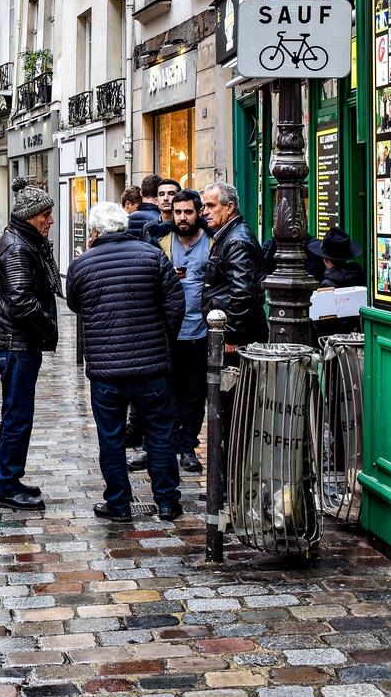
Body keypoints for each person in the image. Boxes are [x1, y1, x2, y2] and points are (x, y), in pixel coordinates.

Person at [67, 202, 186, 523]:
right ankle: (167, 502)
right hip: (151, 368)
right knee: (160, 434)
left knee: (111, 437)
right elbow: (176, 305)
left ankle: (119, 504)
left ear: (95, 231)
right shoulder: (153, 256)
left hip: (107, 371)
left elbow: (75, 304)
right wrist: (162, 341)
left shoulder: (81, 265)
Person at [0, 177, 62, 511]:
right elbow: (21, 301)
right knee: (17, 416)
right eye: (46, 213)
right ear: (31, 214)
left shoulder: (22, 240)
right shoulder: (18, 246)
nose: (51, 220)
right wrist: (49, 330)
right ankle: (5, 485)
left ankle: (8, 478)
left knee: (16, 415)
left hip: (14, 342)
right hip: (15, 344)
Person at [154, 189, 210, 475]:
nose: (182, 217)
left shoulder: (212, 243)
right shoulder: (162, 242)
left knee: (194, 393)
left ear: (198, 212)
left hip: (200, 331)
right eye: (178, 212)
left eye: (188, 212)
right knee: (166, 392)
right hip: (168, 330)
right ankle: (167, 444)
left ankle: (188, 446)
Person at [201, 182, 267, 350]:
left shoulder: (236, 241)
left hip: (239, 336)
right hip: (230, 329)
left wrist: (232, 335)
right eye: (204, 206)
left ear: (229, 207)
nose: (205, 212)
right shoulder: (229, 236)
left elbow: (242, 293)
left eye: (211, 205)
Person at [148, 178, 180, 243]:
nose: (165, 198)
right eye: (162, 194)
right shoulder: (148, 228)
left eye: (171, 194)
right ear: (157, 201)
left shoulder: (183, 226)